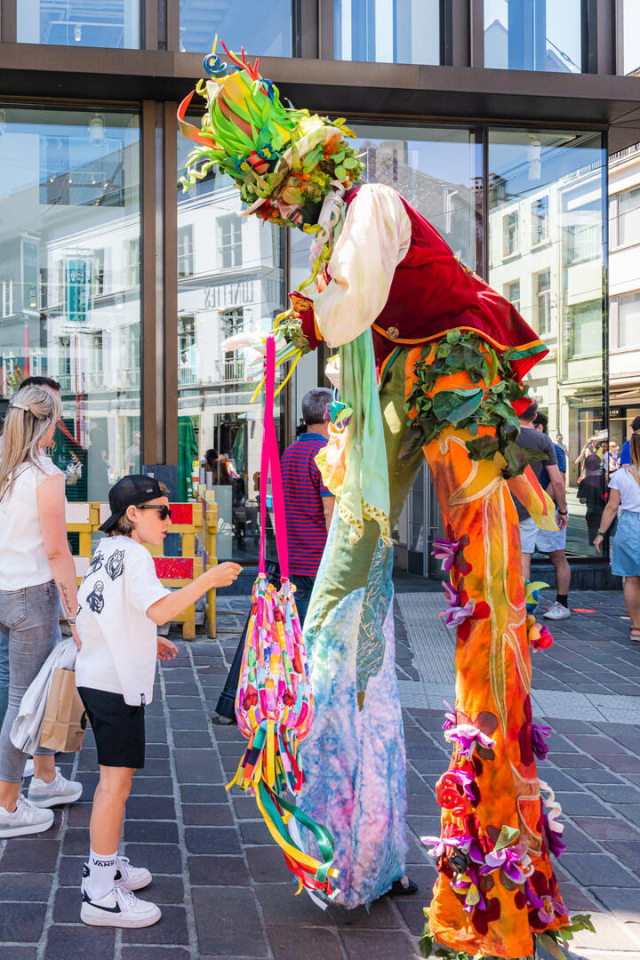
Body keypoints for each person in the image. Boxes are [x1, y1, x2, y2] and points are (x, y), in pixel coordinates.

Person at [180, 49, 569, 956]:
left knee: (484, 589)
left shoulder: (372, 208)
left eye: (274, 193)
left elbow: (346, 304)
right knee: (352, 571)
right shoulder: (341, 231)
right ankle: (362, 818)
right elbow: (347, 307)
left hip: (452, 371)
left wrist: (291, 321)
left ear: (305, 175)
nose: (275, 211)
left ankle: (494, 855)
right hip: (404, 381)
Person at [75, 474, 242, 927]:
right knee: (115, 785)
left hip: (100, 677)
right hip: (113, 684)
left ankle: (104, 866)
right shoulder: (135, 556)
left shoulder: (107, 549)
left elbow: (94, 615)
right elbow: (161, 610)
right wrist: (209, 577)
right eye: (162, 511)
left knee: (116, 783)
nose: (171, 520)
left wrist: (148, 641)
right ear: (133, 515)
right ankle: (99, 892)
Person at [0, 385, 83, 839]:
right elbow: (57, 552)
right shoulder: (43, 473)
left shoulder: (5, 467)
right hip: (32, 596)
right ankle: (7, 804)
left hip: (2, 589)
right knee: (25, 703)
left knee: (21, 696)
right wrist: (76, 616)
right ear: (46, 423)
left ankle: (46, 778)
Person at [281, 388, 334, 625]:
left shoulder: (290, 453)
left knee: (299, 625)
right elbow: (329, 510)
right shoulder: (325, 454)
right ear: (329, 415)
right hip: (319, 555)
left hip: (293, 553)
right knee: (320, 627)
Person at [594, 431, 640, 641]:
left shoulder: (620, 475)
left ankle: (636, 627)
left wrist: (601, 533)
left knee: (631, 579)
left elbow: (612, 508)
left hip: (630, 524)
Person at [528, 409, 572, 620]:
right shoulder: (525, 447)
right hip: (528, 512)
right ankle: (524, 604)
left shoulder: (553, 449)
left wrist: (542, 505)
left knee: (557, 556)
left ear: (540, 428)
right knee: (523, 557)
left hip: (548, 512)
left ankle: (562, 604)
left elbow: (558, 481)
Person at [577, 453, 607, 545]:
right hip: (603, 512)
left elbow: (582, 500)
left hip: (591, 512)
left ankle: (593, 545)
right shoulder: (603, 480)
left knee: (592, 532)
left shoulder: (584, 482)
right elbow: (606, 496)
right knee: (604, 533)